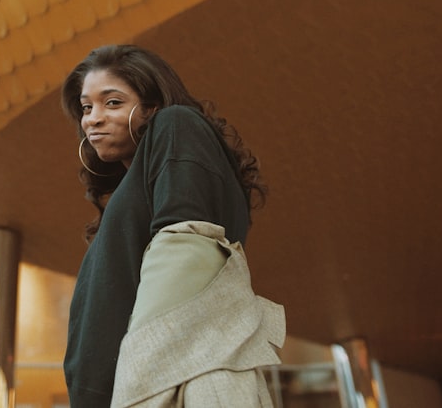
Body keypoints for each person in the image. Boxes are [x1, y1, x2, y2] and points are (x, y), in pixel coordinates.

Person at [60, 44, 286, 407]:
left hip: (166, 382)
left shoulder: (176, 123)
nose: (93, 118)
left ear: (151, 108)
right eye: (87, 107)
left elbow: (184, 255)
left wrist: (141, 384)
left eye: (113, 102)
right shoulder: (135, 188)